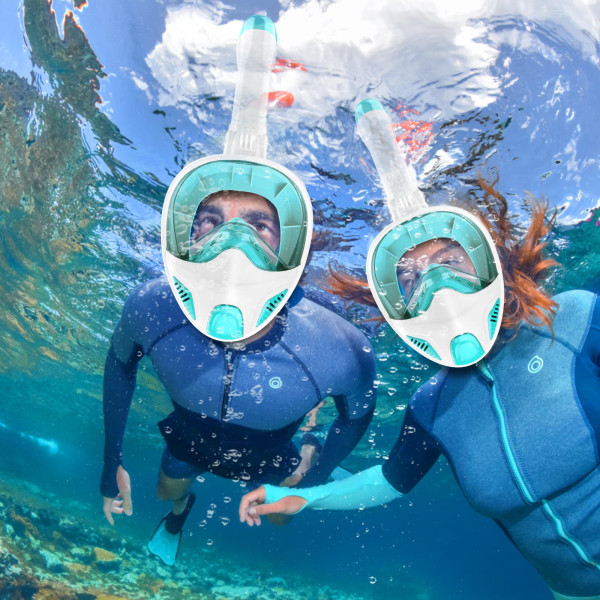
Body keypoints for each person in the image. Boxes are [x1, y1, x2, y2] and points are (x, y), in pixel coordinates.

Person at [239, 174, 600, 600]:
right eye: (412, 281)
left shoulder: (576, 319)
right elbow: (390, 481)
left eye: (451, 262)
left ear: (491, 262)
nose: (438, 289)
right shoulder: (430, 406)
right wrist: (300, 500)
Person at [101, 188, 377, 566]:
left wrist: (315, 480)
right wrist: (110, 461)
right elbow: (119, 364)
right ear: (190, 238)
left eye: (259, 227)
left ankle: (308, 443)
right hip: (189, 441)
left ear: (294, 252)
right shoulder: (153, 306)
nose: (230, 245)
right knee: (166, 496)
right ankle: (178, 516)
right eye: (211, 222)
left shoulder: (339, 345)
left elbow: (356, 417)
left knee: (281, 517)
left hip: (270, 451)